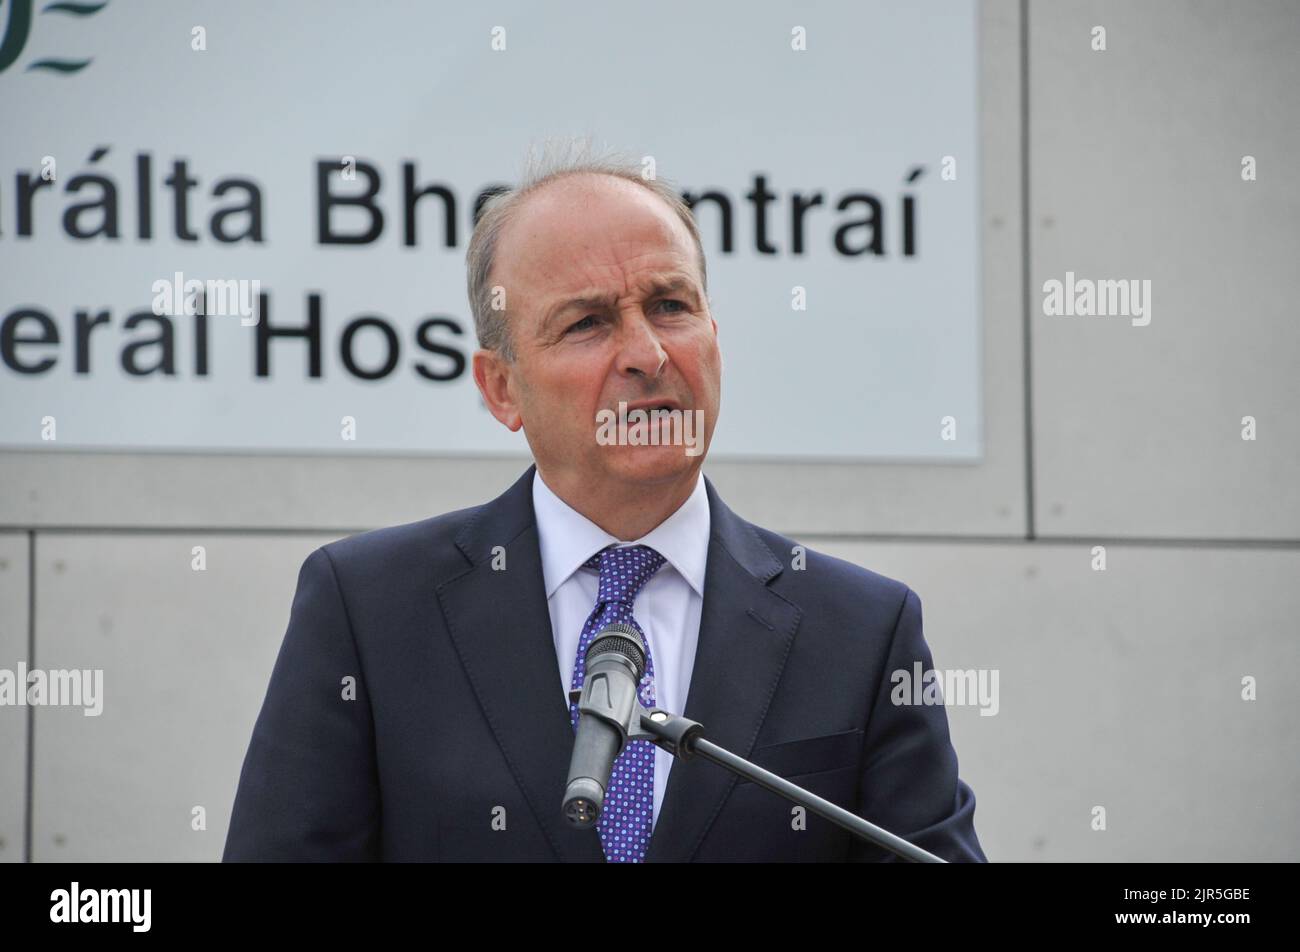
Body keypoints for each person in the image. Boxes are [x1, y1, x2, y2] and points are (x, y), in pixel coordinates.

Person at [223, 142, 987, 863]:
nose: (648, 355)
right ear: (501, 387)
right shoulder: (369, 610)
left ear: (713, 334)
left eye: (670, 306)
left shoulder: (860, 631)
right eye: (587, 323)